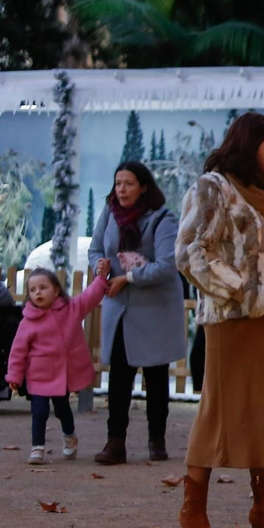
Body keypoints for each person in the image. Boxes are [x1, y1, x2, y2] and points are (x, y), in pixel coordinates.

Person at [175, 113, 264, 528]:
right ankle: (193, 509)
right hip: (231, 321)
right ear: (250, 145)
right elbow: (191, 252)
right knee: (218, 411)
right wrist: (242, 291)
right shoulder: (214, 188)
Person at [88, 161, 189, 464]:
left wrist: (128, 278)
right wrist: (99, 266)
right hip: (121, 308)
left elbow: (168, 265)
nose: (121, 189)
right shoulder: (109, 213)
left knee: (156, 376)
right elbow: (95, 249)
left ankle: (157, 440)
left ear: (143, 187)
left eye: (129, 183)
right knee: (120, 375)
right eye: (118, 183)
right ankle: (115, 442)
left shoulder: (162, 218)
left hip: (155, 308)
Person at [5, 262, 110, 463]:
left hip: (61, 376)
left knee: (63, 410)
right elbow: (18, 352)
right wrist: (14, 376)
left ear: (55, 290)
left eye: (43, 287)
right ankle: (37, 448)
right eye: (33, 290)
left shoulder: (71, 309)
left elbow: (89, 297)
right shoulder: (28, 321)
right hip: (38, 376)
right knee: (39, 412)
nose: (38, 292)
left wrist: (101, 278)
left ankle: (69, 437)